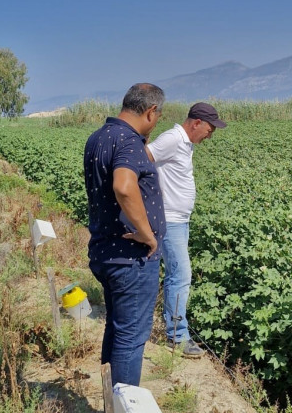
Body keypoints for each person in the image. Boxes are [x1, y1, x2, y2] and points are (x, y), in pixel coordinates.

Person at [83, 83, 166, 386]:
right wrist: (147, 235)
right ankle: (125, 403)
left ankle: (111, 401)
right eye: (158, 117)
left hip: (106, 253)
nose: (157, 123)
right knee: (131, 338)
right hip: (130, 259)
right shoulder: (127, 141)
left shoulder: (99, 137)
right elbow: (123, 186)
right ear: (150, 111)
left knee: (117, 330)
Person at [147, 102, 226, 358]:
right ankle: (177, 337)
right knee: (180, 275)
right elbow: (143, 158)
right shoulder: (172, 139)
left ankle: (173, 331)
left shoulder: (185, 143)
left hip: (179, 220)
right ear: (196, 123)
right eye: (210, 129)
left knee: (176, 274)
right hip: (169, 220)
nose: (210, 135)